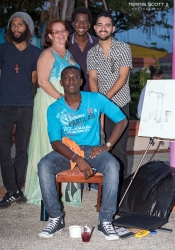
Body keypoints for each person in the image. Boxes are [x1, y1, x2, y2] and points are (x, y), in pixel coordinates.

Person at [38, 66, 128, 240]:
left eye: (75, 77)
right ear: (61, 82)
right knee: (44, 165)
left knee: (112, 164)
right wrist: (77, 158)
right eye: (67, 78)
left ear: (81, 81)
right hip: (67, 150)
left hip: (93, 149)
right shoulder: (54, 109)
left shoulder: (95, 99)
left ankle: (105, 221)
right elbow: (55, 142)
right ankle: (56, 217)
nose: (71, 81)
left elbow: (122, 120)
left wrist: (107, 146)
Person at [24, 20, 80, 206]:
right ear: (49, 36)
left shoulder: (70, 55)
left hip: (66, 102)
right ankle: (45, 190)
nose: (61, 34)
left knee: (69, 143)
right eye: (56, 32)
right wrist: (62, 101)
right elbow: (42, 81)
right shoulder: (47, 54)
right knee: (49, 143)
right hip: (51, 101)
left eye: (63, 30)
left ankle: (65, 189)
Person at [0, 12, 41, 209]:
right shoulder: (2, 49)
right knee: (3, 149)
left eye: (20, 25)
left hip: (26, 105)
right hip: (4, 105)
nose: (16, 28)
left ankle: (16, 187)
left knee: (23, 149)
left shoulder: (35, 53)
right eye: (13, 25)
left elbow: (33, 79)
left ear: (28, 28)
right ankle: (11, 188)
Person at [87, 11, 132, 180]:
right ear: (95, 28)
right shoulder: (92, 53)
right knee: (102, 146)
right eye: (100, 25)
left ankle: (121, 189)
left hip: (120, 105)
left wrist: (103, 100)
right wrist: (97, 101)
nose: (103, 28)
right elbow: (92, 77)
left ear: (113, 29)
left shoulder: (123, 48)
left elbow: (123, 77)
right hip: (100, 107)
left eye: (107, 25)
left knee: (119, 148)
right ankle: (106, 186)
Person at [69, 6, 98, 91]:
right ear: (73, 23)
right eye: (78, 21)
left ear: (89, 24)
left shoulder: (98, 43)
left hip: (93, 94)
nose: (81, 25)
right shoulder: (65, 43)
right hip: (70, 95)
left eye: (85, 22)